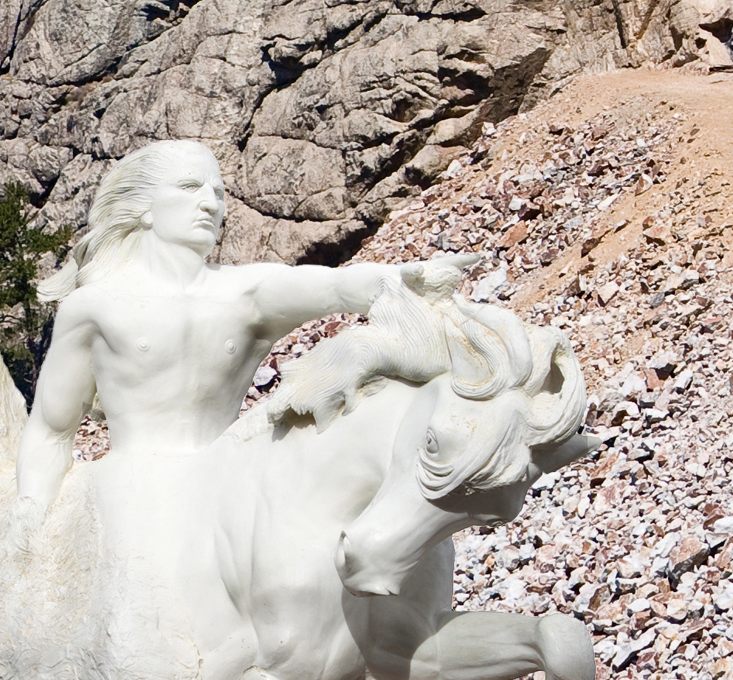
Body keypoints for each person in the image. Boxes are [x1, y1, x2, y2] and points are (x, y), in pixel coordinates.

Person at [11, 141, 463, 668]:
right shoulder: (93, 306)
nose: (211, 202)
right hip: (134, 490)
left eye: (220, 192)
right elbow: (50, 429)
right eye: (189, 186)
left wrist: (401, 279)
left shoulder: (244, 293)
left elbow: (335, 287)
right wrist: (32, 516)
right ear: (144, 205)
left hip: (228, 480)